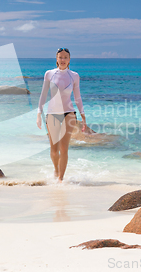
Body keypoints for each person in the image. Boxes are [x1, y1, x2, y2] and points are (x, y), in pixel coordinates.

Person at [37, 48, 88, 182]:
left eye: (66, 57)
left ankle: (60, 179)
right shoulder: (49, 74)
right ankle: (56, 169)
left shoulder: (74, 76)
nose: (63, 60)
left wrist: (82, 115)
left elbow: (78, 97)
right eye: (60, 57)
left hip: (69, 113)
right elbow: (43, 94)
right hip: (52, 113)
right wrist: (38, 113)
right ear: (56, 59)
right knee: (54, 149)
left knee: (64, 148)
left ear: (69, 60)